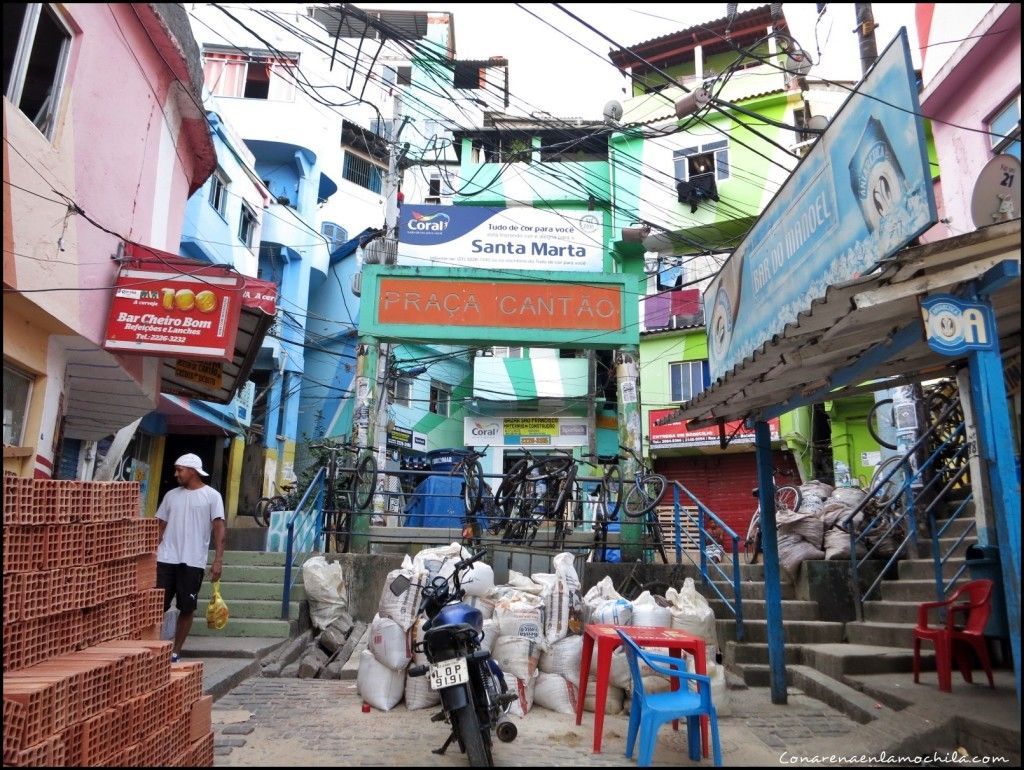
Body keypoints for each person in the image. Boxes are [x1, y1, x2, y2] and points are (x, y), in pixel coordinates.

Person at [156, 453, 225, 661]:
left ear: (193, 471)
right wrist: (151, 550)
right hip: (166, 558)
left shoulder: (212, 496)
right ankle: (153, 648)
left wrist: (218, 560)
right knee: (157, 605)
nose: (176, 474)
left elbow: (219, 529)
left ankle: (176, 650)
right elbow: (159, 525)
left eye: (180, 470)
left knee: (187, 607)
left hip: (193, 561)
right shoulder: (171, 496)